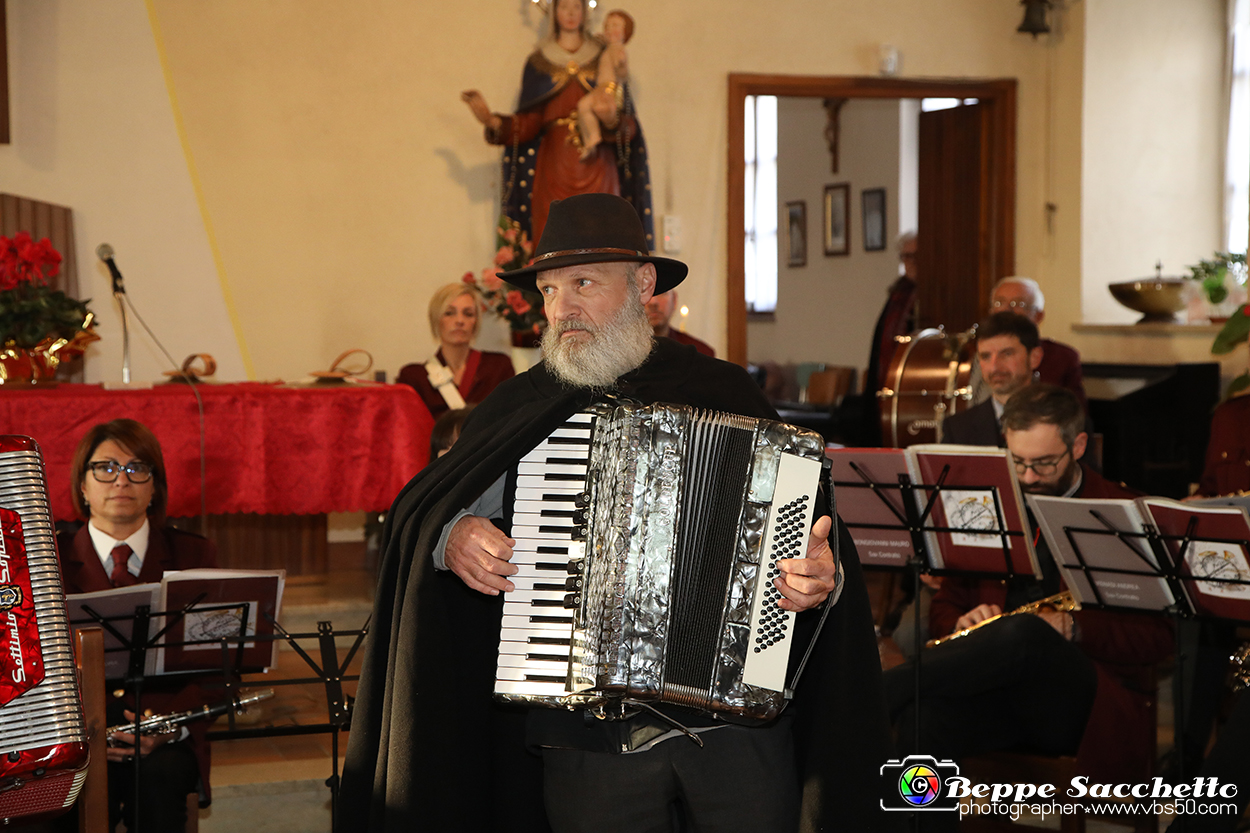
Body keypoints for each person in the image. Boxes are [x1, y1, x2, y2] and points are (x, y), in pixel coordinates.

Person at [337, 194, 897, 833]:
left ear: (643, 284)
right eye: (548, 291)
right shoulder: (524, 404)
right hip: (585, 737)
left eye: (582, 283)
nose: (561, 308)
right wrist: (454, 536)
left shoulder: (723, 389)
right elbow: (426, 512)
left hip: (733, 728)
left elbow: (815, 545)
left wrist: (818, 581)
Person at [883, 385, 1173, 812]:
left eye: (1043, 463)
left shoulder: (1122, 512)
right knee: (923, 721)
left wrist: (1074, 628)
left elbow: (1159, 637)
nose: (1029, 478)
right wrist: (962, 622)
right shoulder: (990, 505)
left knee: (1026, 632)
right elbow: (946, 605)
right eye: (1017, 462)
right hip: (1000, 692)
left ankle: (885, 689)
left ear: (1077, 446)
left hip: (1084, 703)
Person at [56, 419, 217, 833]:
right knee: (67, 798)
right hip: (77, 737)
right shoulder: (46, 560)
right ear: (82, 486)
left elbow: (220, 667)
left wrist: (169, 728)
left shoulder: (194, 554)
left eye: (137, 468)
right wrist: (90, 731)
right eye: (105, 468)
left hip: (164, 736)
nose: (121, 481)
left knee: (160, 784)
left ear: (154, 487)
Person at [461, 0, 653, 248]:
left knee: (603, 237)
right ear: (553, 12)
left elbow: (627, 123)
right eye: (564, 7)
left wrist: (610, 119)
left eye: (577, 7)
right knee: (555, 243)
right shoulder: (539, 62)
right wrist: (491, 120)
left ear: (586, 11)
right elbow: (529, 123)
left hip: (597, 163)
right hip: (555, 164)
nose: (571, 14)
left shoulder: (602, 56)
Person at [397, 282, 515, 420]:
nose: (459, 320)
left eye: (468, 314)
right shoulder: (414, 378)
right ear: (436, 319)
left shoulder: (498, 367)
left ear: (475, 321)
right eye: (449, 313)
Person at [940, 311, 1041, 446]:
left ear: (1034, 357)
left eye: (1007, 354)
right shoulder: (957, 429)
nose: (994, 367)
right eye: (985, 356)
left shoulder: (1062, 419)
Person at [988, 276, 1087, 410]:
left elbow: (1077, 417)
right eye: (999, 303)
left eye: (1018, 304)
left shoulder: (1062, 357)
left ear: (1038, 316)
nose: (1007, 311)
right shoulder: (980, 355)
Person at [575, 10, 633, 162]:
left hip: (608, 88)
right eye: (607, 25)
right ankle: (593, 136)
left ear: (624, 32)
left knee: (591, 107)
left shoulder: (617, 49)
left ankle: (594, 135)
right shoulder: (608, 48)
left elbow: (622, 71)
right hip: (601, 87)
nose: (609, 29)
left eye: (615, 26)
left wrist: (620, 63)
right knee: (583, 106)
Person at [644, 287, 715, 356]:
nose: (653, 302)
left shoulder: (698, 354)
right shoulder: (633, 352)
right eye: (645, 293)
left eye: (662, 293)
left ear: (674, 300)